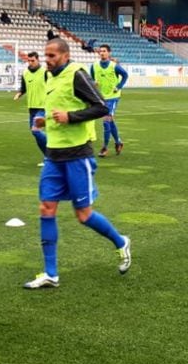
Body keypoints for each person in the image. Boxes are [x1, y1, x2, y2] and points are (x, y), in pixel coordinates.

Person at [23, 37, 131, 289]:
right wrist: (44, 121)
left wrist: (70, 117)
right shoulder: (50, 77)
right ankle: (51, 273)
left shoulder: (77, 74)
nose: (47, 61)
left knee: (83, 215)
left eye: (52, 56)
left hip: (78, 155)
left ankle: (121, 241)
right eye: (45, 56)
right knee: (46, 209)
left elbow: (101, 107)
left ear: (64, 55)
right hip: (53, 155)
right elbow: (56, 111)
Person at [90, 44, 129, 157]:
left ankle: (104, 148)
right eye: (100, 51)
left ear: (109, 53)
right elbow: (92, 79)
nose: (102, 53)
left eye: (104, 51)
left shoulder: (114, 66)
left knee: (106, 121)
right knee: (110, 121)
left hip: (112, 97)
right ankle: (118, 142)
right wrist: (94, 83)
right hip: (101, 97)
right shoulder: (94, 66)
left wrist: (119, 86)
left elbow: (125, 75)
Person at [14, 51, 48, 160]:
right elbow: (24, 88)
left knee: (35, 130)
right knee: (35, 133)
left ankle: (53, 152)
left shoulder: (45, 72)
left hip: (43, 106)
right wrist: (19, 93)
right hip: (32, 107)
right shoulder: (25, 73)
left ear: (38, 60)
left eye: (32, 61)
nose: (30, 63)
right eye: (28, 61)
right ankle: (48, 156)